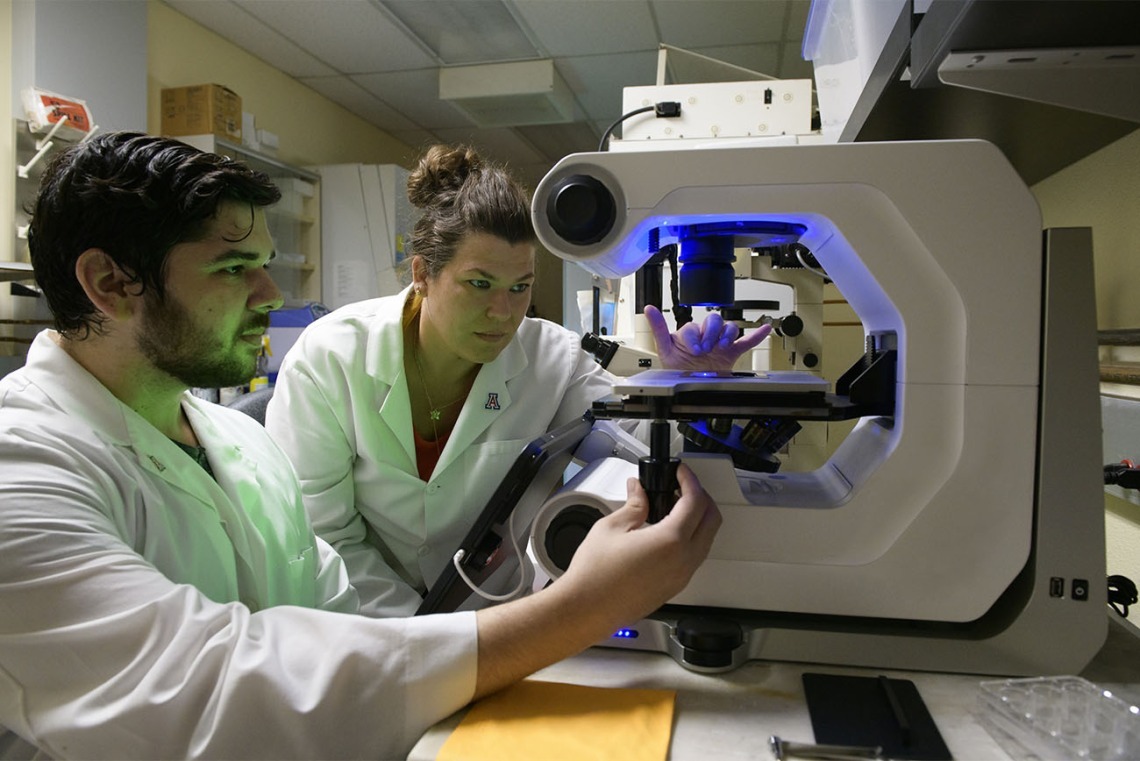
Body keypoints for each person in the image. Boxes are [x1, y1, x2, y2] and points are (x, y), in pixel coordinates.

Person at [0, 132, 721, 760]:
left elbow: (333, 612)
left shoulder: (236, 442)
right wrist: (577, 610)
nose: (267, 293)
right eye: (231, 268)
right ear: (109, 283)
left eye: (264, 261)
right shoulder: (24, 470)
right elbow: (205, 694)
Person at [266, 143, 769, 616]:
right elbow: (322, 536)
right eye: (479, 284)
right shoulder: (329, 358)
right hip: (362, 613)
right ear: (422, 274)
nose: (503, 312)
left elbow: (637, 449)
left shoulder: (553, 359)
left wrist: (681, 390)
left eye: (520, 287)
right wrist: (423, 635)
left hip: (494, 606)